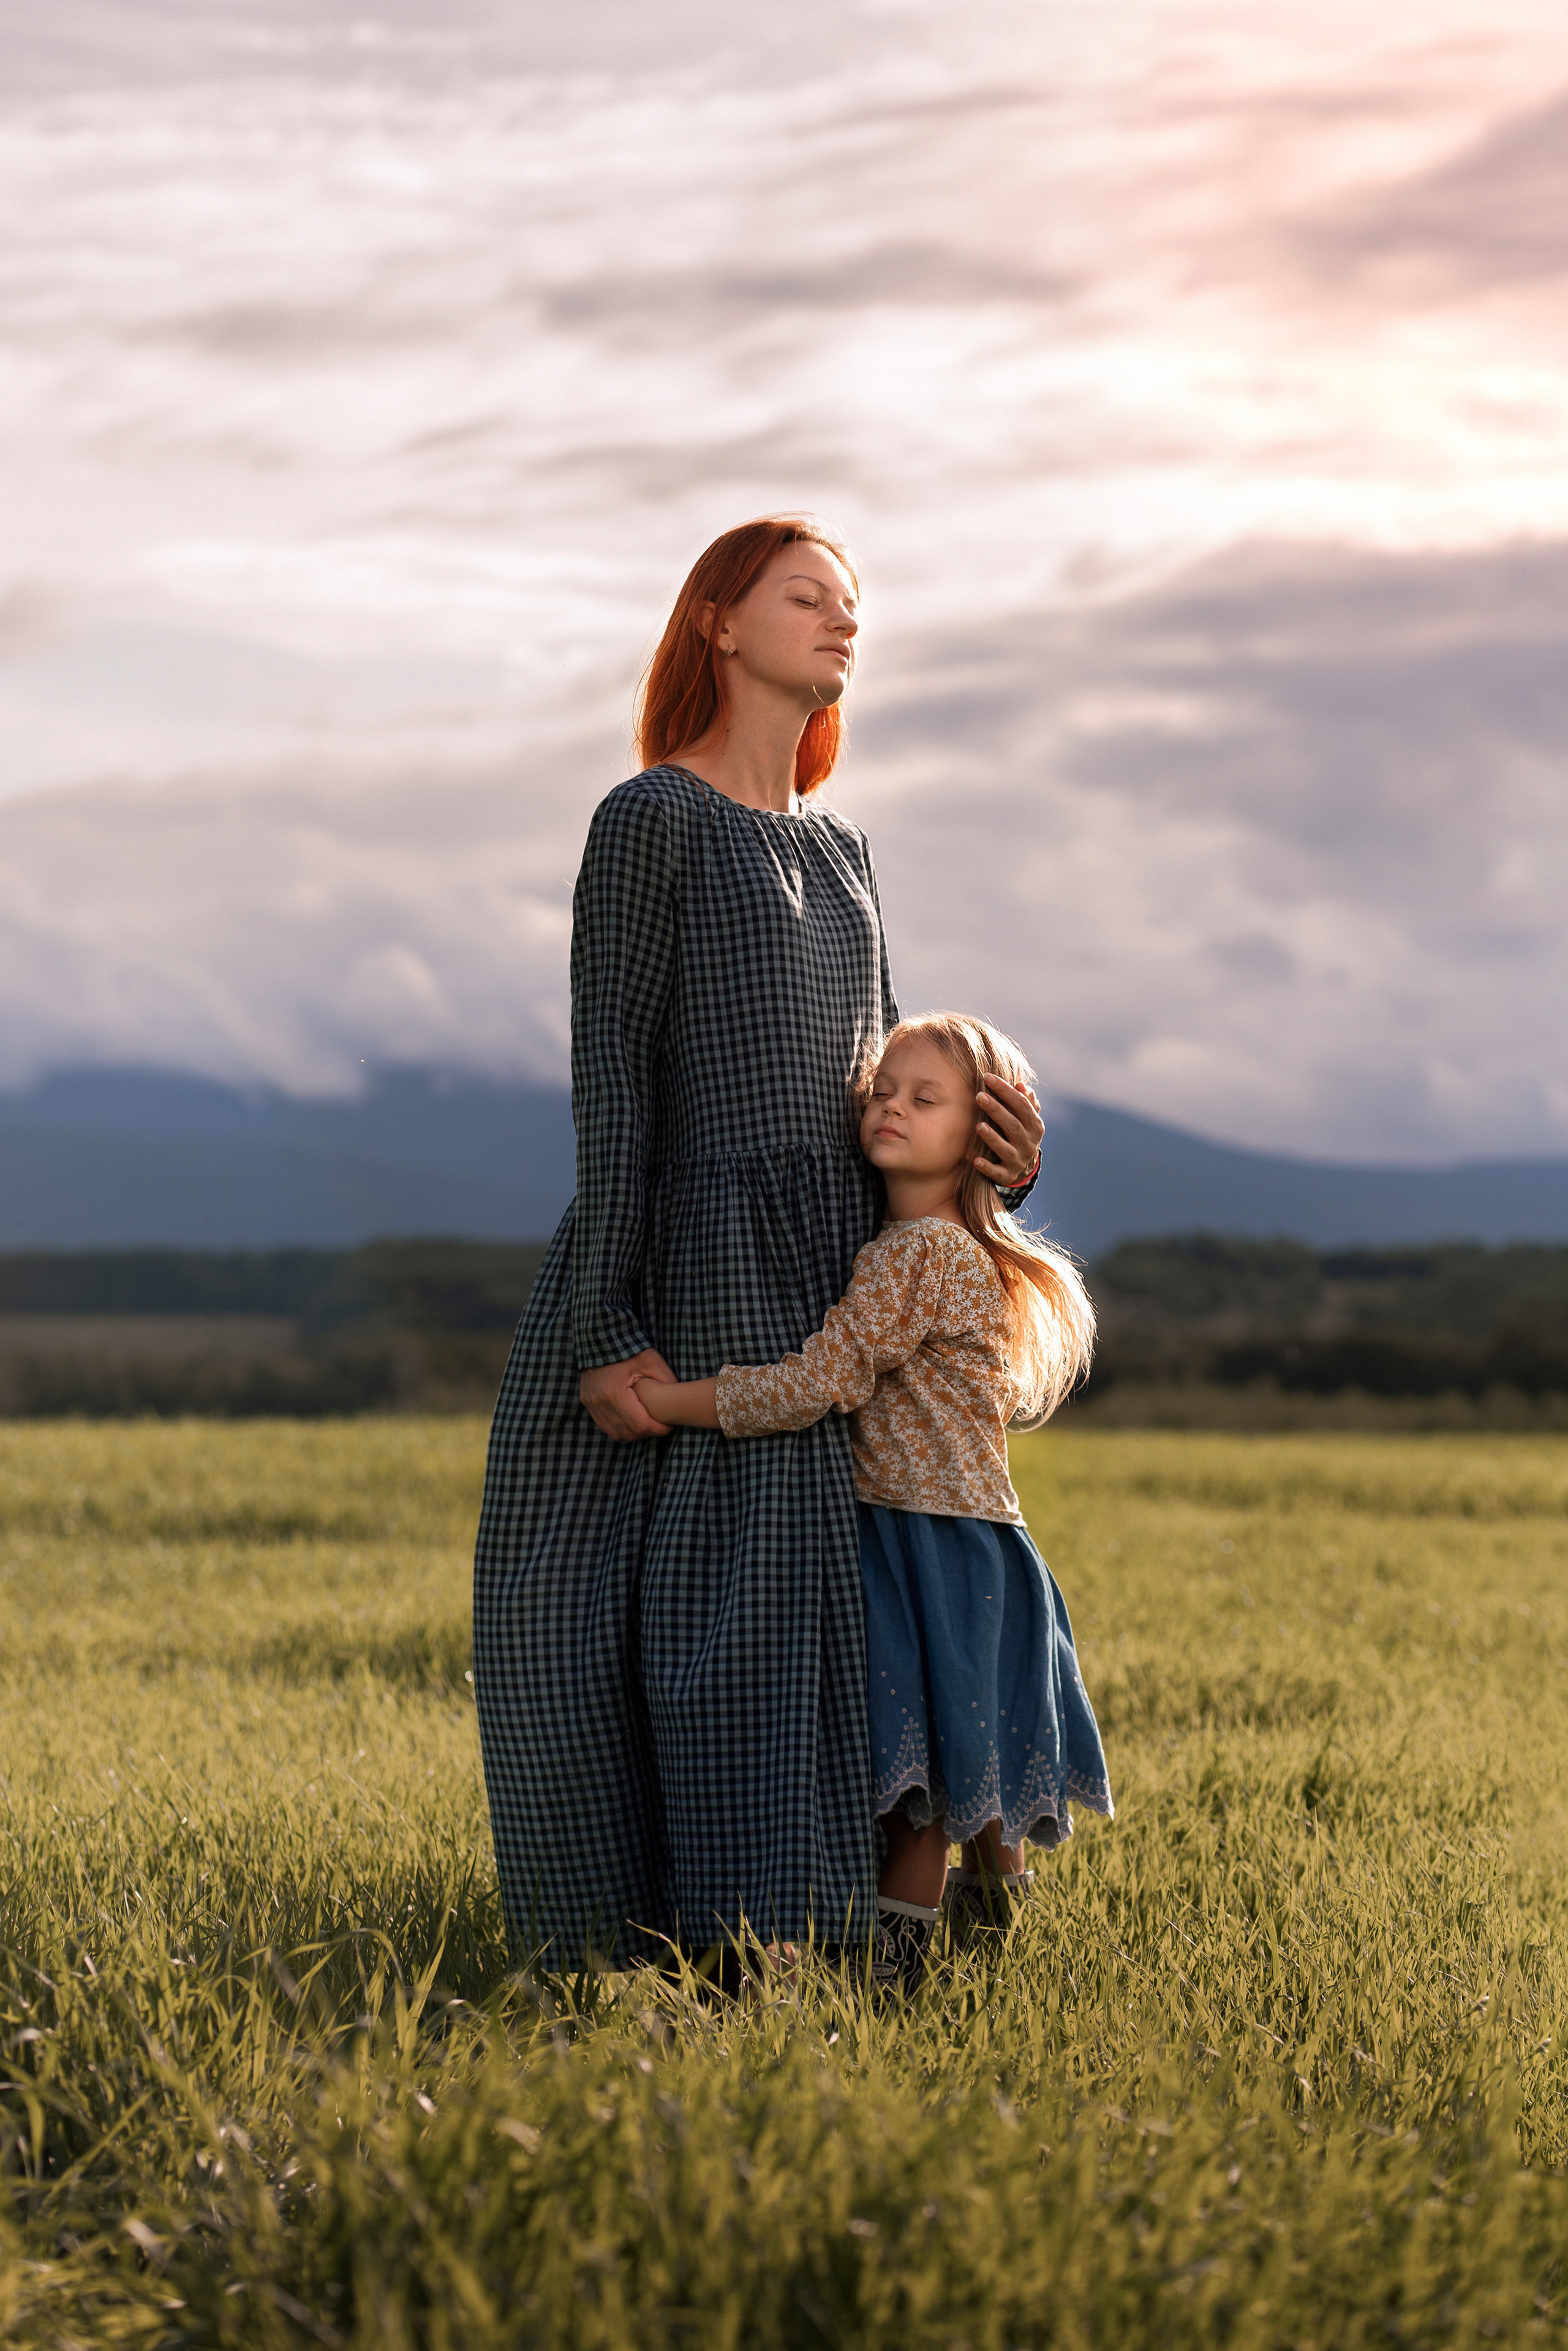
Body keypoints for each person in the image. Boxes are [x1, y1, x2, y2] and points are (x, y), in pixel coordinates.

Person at [472, 517, 1044, 1972]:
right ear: (720, 623)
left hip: (836, 1265)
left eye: (852, 606)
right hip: (690, 1252)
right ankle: (674, 1943)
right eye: (806, 597)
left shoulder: (848, 848)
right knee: (658, 1624)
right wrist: (608, 1321)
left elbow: (882, 1076)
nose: (841, 623)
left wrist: (981, 1155)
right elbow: (612, 1073)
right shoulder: (647, 819)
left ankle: (832, 1936)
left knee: (828, 1621)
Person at [634, 1010, 1115, 1991]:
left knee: (916, 1798)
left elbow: (819, 1382)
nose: (891, 1107)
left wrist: (670, 1401)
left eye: (923, 1098)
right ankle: (993, 1964)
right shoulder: (939, 1246)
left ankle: (892, 1989)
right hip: (985, 1550)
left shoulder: (916, 1256)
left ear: (980, 1135)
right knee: (969, 1773)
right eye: (881, 1092)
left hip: (921, 1548)